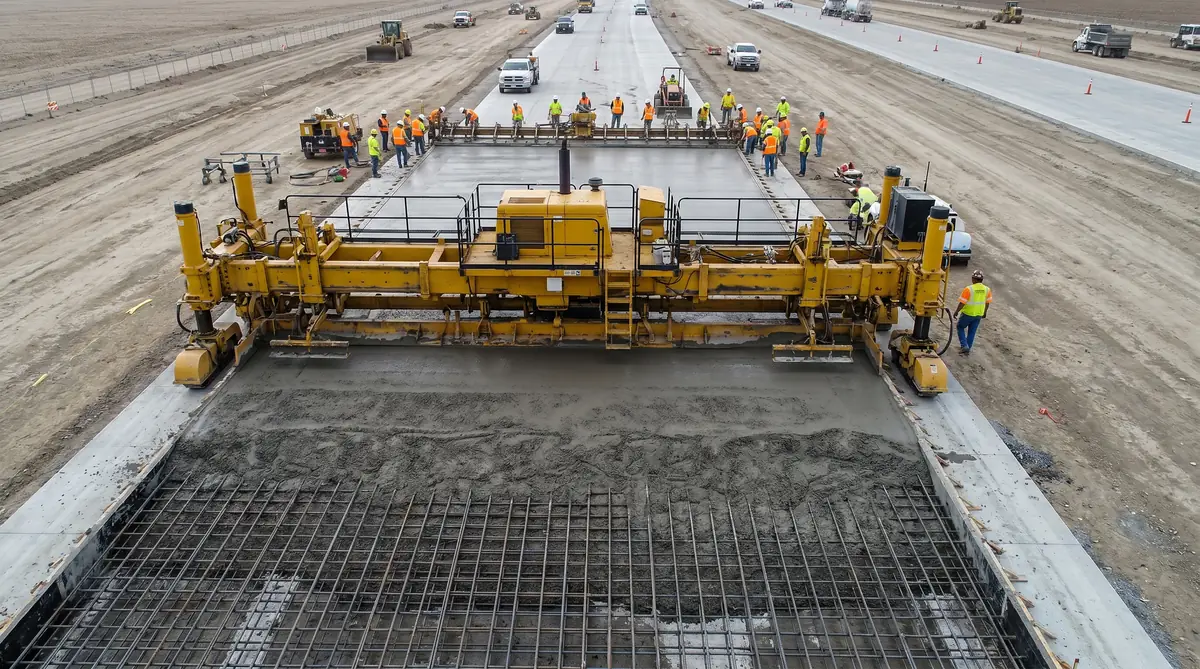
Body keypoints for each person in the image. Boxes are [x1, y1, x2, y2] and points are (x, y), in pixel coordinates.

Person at [953, 270, 993, 355]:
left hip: (968, 313)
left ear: (973, 279)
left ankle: (964, 346)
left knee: (960, 327)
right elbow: (987, 303)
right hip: (979, 314)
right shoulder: (987, 289)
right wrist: (985, 312)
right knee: (972, 331)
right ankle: (968, 348)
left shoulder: (969, 289)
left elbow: (962, 303)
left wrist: (956, 311)